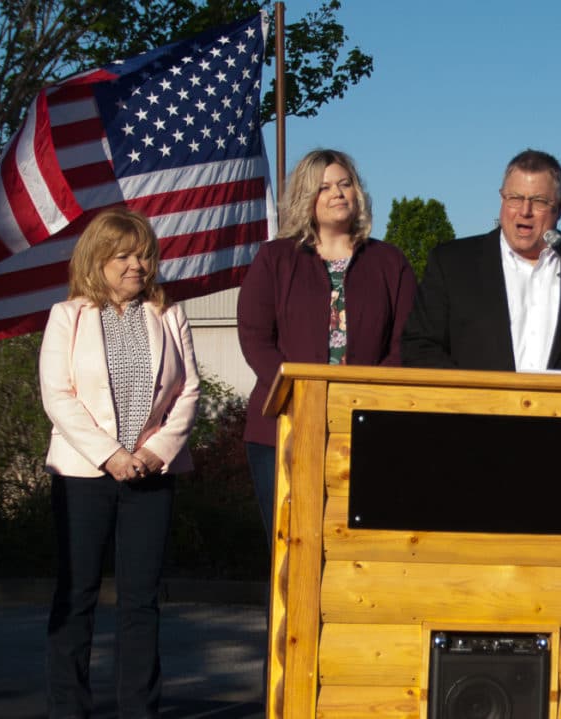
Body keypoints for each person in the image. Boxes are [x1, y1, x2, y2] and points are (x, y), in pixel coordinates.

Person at [40, 207, 200, 718]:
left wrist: (156, 451)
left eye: (144, 255)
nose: (138, 265)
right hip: (83, 476)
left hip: (152, 476)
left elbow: (189, 390)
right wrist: (110, 456)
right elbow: (57, 396)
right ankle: (69, 709)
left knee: (141, 602)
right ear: (98, 259)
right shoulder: (68, 316)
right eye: (125, 256)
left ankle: (139, 710)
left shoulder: (169, 314)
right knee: (77, 595)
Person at [237, 149, 416, 544]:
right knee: (289, 549)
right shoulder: (274, 259)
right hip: (283, 427)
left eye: (345, 183)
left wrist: (363, 397)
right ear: (306, 198)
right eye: (324, 187)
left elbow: (405, 342)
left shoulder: (389, 262)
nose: (338, 193)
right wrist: (299, 394)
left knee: (353, 550)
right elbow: (255, 337)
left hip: (365, 428)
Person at [401, 148, 561, 374]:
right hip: (473, 415)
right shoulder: (452, 264)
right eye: (514, 198)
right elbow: (419, 346)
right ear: (501, 198)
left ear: (560, 207)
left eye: (538, 201)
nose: (524, 211)